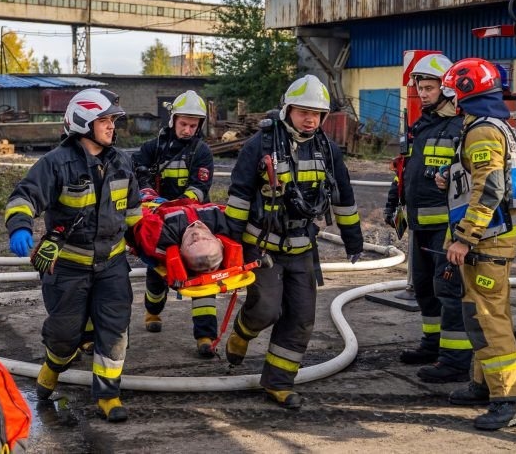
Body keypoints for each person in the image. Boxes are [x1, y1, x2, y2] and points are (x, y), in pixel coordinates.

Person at [223, 74, 364, 409]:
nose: (310, 119)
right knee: (268, 309)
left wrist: (353, 239)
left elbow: (343, 197)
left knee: (301, 318)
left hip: (302, 248)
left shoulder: (328, 151)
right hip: (262, 247)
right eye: (303, 111)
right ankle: (243, 331)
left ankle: (278, 383)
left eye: (317, 113)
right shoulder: (260, 145)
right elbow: (240, 196)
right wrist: (232, 246)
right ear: (288, 110)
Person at [5, 88, 141, 423]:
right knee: (66, 334)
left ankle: (108, 396)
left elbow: (135, 212)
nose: (112, 127)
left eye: (112, 120)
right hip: (67, 268)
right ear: (83, 122)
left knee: (115, 329)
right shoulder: (56, 163)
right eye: (104, 120)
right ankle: (54, 364)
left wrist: (152, 246)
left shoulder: (122, 162)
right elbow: (24, 196)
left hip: (111, 265)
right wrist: (20, 226)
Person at [440, 58, 516, 430]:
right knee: (479, 315)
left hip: (486, 241)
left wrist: (465, 237)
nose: (448, 98)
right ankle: (484, 385)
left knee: (490, 321)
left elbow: (491, 189)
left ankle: (511, 401)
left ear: (464, 91)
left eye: (450, 91)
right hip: (490, 239)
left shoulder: (481, 132)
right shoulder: (493, 125)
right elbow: (487, 179)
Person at [383, 53, 472, 383]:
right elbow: (404, 171)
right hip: (418, 224)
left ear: (447, 89)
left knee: (448, 291)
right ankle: (432, 345)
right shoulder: (421, 126)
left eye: (429, 86)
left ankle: (455, 361)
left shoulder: (460, 128)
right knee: (423, 289)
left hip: (446, 229)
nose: (422, 91)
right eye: (419, 85)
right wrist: (393, 203)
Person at [131, 90, 217, 356]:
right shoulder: (153, 147)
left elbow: (200, 188)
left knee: (203, 272)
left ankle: (205, 337)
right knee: (157, 271)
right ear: (173, 120)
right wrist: (147, 195)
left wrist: (176, 207)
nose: (188, 130)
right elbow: (136, 175)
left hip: (191, 221)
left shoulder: (201, 152)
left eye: (194, 125)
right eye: (184, 124)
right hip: (158, 223)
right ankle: (153, 311)